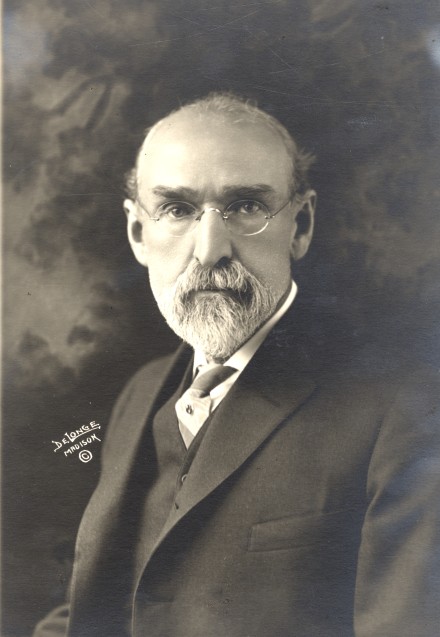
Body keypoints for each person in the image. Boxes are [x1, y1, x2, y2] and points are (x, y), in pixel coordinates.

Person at [34, 93, 440, 637]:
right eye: (177, 209)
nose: (210, 249)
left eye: (246, 206)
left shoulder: (406, 407)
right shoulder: (143, 391)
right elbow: (98, 610)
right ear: (138, 233)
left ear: (300, 226)